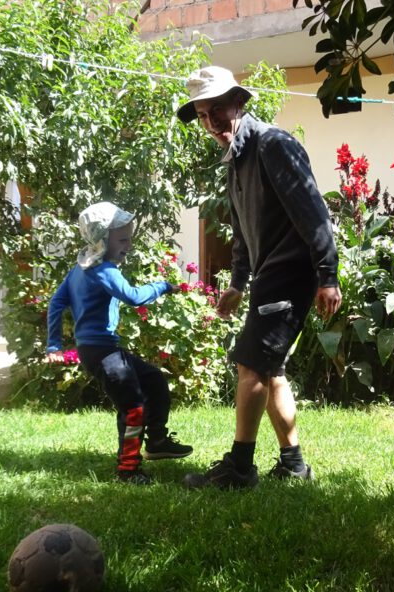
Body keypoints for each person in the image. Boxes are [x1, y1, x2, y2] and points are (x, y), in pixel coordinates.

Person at [176, 66, 342, 489]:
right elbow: (242, 230)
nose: (211, 122)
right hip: (270, 274)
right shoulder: (237, 159)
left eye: (217, 110)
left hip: (291, 272)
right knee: (271, 371)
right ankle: (293, 463)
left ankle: (240, 468)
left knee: (250, 365)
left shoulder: (273, 145)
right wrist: (236, 282)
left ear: (239, 101)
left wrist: (328, 275)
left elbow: (313, 212)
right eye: (201, 114)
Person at [46, 202, 192, 485]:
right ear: (102, 240)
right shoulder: (104, 271)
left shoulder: (80, 268)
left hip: (99, 349)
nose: (128, 245)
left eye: (130, 238)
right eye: (123, 239)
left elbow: (56, 303)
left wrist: (54, 344)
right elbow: (134, 297)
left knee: (154, 380)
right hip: (102, 351)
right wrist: (162, 285)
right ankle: (127, 470)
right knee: (133, 407)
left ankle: (157, 441)